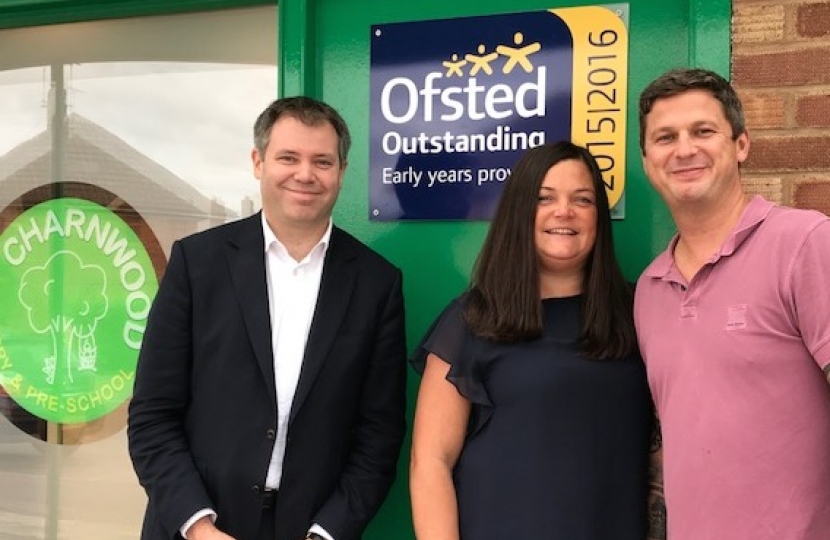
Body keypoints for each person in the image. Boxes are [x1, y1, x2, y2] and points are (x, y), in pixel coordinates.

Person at [127, 96, 407, 540]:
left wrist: (326, 533)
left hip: (309, 529)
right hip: (197, 526)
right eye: (288, 157)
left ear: (342, 172)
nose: (305, 174)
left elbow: (379, 436)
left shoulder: (377, 284)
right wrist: (198, 527)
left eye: (322, 161)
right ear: (258, 162)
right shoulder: (197, 265)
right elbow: (152, 416)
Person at [409, 141, 654, 540]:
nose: (564, 211)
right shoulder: (474, 318)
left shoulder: (641, 312)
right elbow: (431, 460)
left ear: (599, 217)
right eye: (544, 198)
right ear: (520, 212)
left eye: (583, 199)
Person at [636, 67, 830, 540]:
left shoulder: (804, 243)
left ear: (741, 144)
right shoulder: (649, 290)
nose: (684, 149)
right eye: (665, 137)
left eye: (703, 131)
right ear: (646, 159)